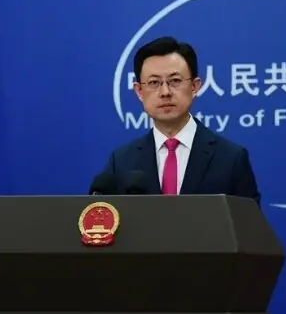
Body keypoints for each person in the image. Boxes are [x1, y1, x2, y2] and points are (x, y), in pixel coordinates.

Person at [101, 36, 261, 204]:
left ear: (194, 86)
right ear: (139, 91)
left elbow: (247, 220)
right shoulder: (121, 162)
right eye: (154, 82)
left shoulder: (231, 159)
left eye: (175, 81)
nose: (165, 92)